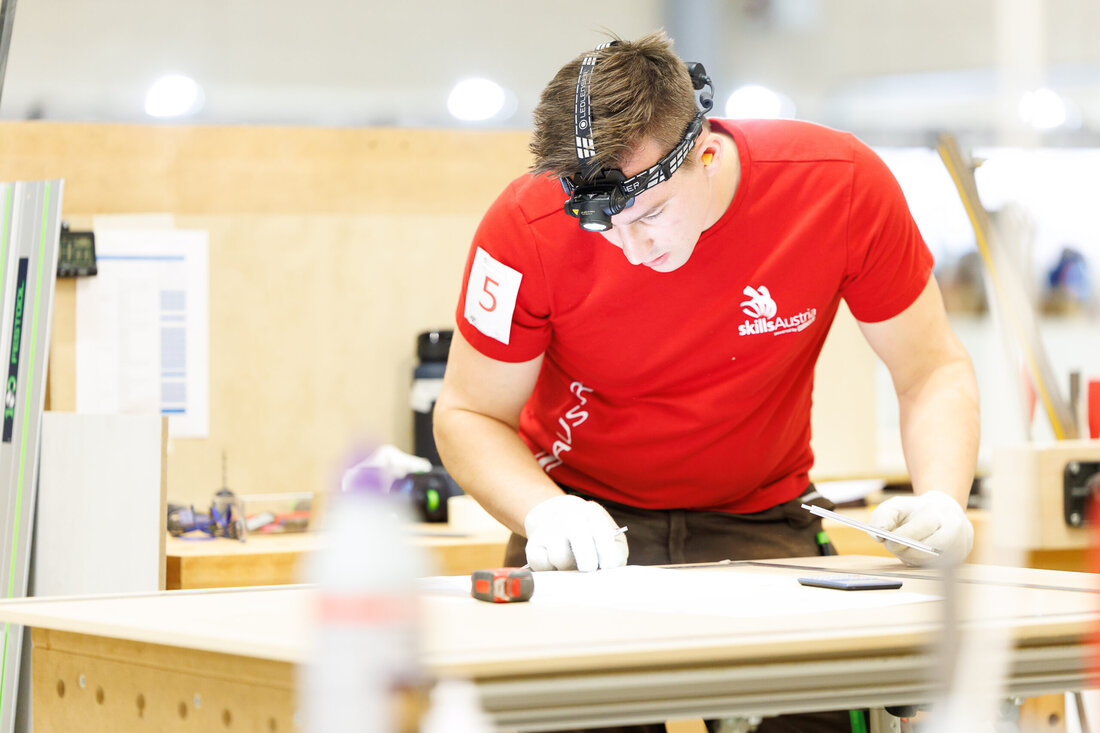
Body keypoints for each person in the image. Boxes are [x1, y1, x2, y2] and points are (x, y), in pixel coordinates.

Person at [433, 31, 979, 733]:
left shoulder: (836, 186)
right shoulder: (527, 227)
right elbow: (468, 414)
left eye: (652, 214)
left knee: (820, 711)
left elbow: (931, 368)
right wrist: (544, 512)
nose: (632, 249)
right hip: (584, 531)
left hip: (760, 520)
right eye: (609, 227)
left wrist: (943, 496)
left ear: (707, 153)